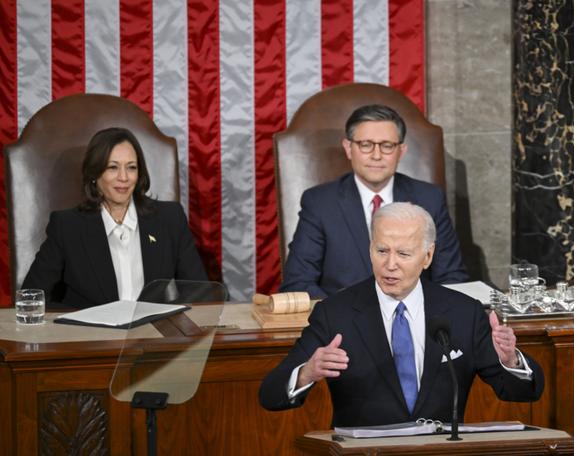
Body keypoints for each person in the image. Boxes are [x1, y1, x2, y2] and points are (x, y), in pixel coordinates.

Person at [260, 202, 543, 427]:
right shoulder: (335, 313)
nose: (390, 264)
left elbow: (522, 393)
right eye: (381, 250)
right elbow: (270, 395)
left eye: (404, 254)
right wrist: (307, 372)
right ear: (370, 249)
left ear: (427, 256)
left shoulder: (463, 312)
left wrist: (511, 360)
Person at [280, 104, 468, 299]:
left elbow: (452, 277)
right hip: (344, 322)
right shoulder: (320, 203)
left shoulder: (429, 199)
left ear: (401, 151)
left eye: (387, 145)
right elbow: (298, 283)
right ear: (348, 148)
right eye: (366, 144)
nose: (376, 155)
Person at [22, 127, 208, 308]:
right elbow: (31, 299)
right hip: (91, 335)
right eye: (113, 167)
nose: (124, 177)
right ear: (94, 174)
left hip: (152, 335)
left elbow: (199, 292)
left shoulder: (170, 218)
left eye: (131, 167)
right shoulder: (67, 226)